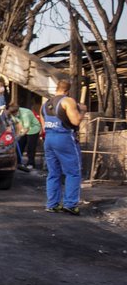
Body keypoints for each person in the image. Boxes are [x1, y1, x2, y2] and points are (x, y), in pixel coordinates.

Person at [41, 79, 84, 215]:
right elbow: (76, 120)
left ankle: (52, 204)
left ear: (56, 88)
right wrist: (82, 111)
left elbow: (44, 125)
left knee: (53, 173)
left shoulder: (45, 104)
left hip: (49, 138)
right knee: (73, 172)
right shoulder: (68, 101)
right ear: (68, 90)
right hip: (64, 138)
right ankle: (70, 204)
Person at [8, 104, 41, 168]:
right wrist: (17, 134)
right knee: (20, 145)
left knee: (30, 147)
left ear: (17, 111)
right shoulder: (12, 113)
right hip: (23, 128)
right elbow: (17, 124)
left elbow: (27, 128)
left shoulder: (25, 113)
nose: (13, 116)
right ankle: (18, 162)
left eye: (14, 114)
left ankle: (31, 163)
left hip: (33, 129)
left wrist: (19, 135)